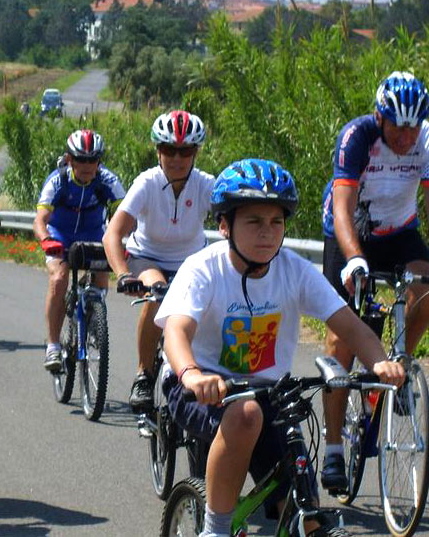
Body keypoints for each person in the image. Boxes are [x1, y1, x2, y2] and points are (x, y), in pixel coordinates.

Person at [155, 158, 404, 537]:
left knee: (305, 509)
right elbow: (176, 330)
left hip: (269, 392)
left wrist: (381, 362)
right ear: (225, 225)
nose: (267, 233)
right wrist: (191, 373)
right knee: (246, 415)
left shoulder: (294, 270)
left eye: (276, 222)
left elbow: (351, 327)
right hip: (199, 387)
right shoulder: (202, 268)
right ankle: (215, 529)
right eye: (254, 221)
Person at [319, 70, 429, 493]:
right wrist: (354, 259)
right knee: (344, 339)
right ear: (380, 116)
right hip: (351, 231)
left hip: (400, 229)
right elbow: (342, 205)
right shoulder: (357, 136)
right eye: (398, 127)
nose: (408, 136)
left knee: (428, 290)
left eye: (414, 126)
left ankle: (397, 366)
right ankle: (334, 448)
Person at [102, 110, 214, 412]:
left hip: (191, 263)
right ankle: (144, 374)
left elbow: (232, 224)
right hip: (147, 258)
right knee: (159, 295)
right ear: (158, 151)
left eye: (185, 151)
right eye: (168, 150)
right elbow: (113, 234)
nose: (177, 158)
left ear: (195, 153)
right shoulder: (146, 183)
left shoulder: (206, 185)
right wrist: (124, 274)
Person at [34, 129, 126, 371]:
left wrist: (125, 240)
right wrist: (46, 239)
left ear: (99, 161)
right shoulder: (58, 180)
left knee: (103, 270)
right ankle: (53, 345)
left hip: (95, 232)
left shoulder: (108, 180)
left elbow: (126, 214)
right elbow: (40, 219)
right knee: (59, 278)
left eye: (92, 160)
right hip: (60, 235)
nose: (87, 165)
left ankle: (94, 315)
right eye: (81, 159)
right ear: (69, 159)